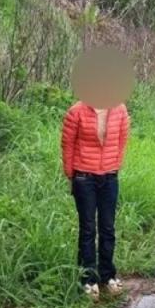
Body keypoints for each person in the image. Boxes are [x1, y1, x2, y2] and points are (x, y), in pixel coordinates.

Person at [61, 100, 130, 297]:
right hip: (84, 178)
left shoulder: (120, 109)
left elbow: (121, 141)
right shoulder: (76, 112)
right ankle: (88, 279)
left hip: (109, 178)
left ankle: (108, 275)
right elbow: (67, 145)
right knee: (88, 229)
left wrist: (114, 166)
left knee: (108, 228)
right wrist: (71, 176)